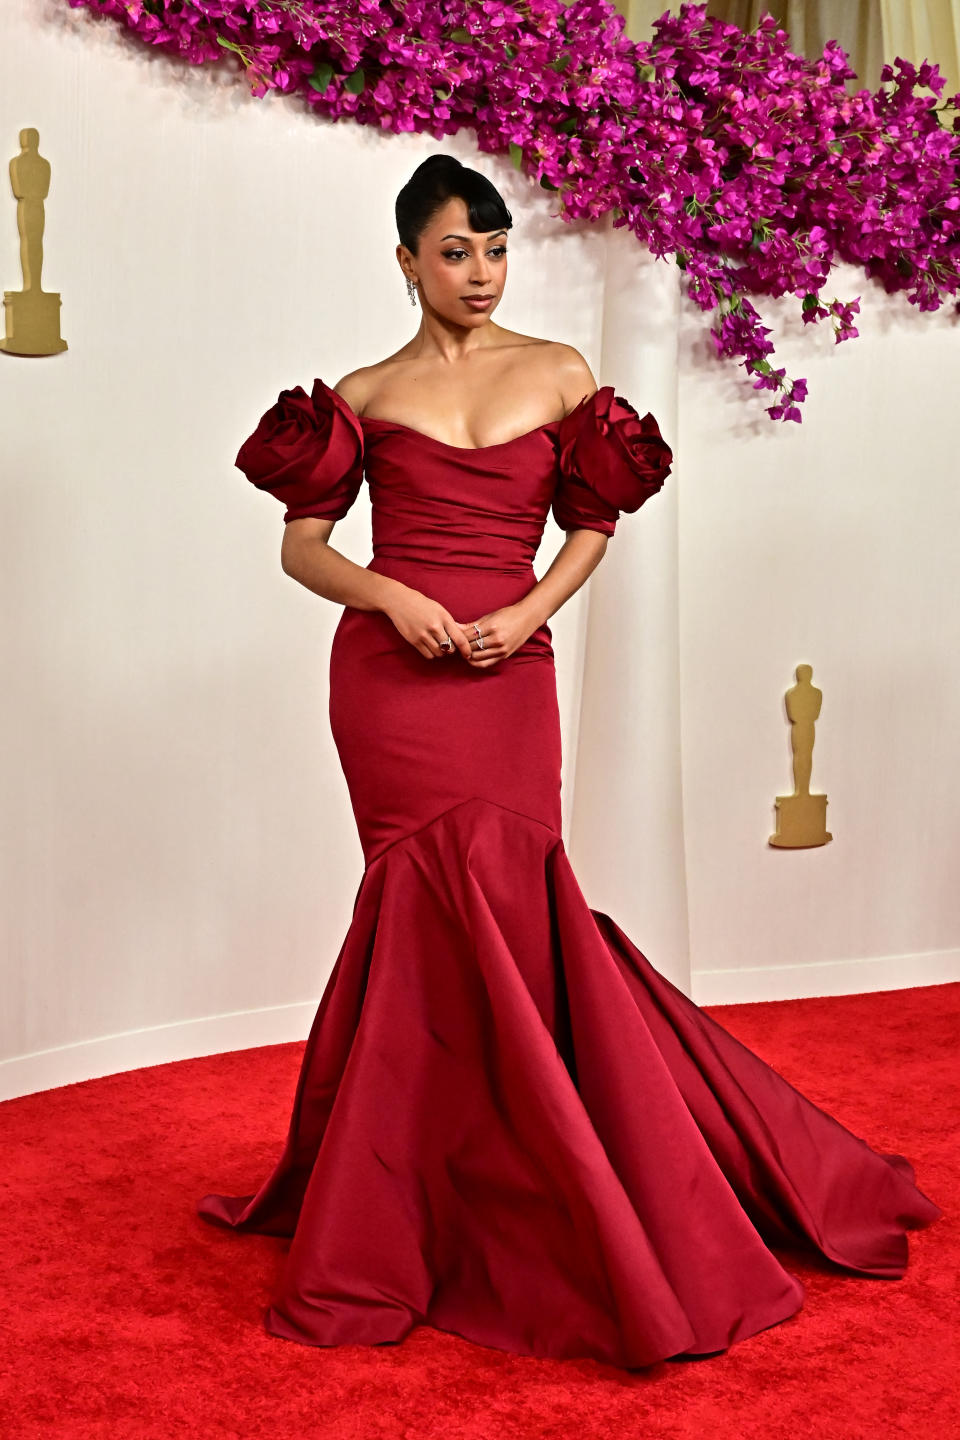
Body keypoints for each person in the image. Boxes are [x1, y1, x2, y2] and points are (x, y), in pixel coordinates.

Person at [198, 153, 941, 1367]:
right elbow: (304, 550)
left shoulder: (558, 373)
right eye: (455, 252)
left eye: (496, 250)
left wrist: (530, 611)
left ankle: (545, 1171)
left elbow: (591, 529)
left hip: (508, 673)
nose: (481, 274)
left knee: (518, 908)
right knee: (421, 915)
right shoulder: (363, 392)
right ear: (405, 262)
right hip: (390, 687)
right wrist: (389, 598)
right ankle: (412, 1194)